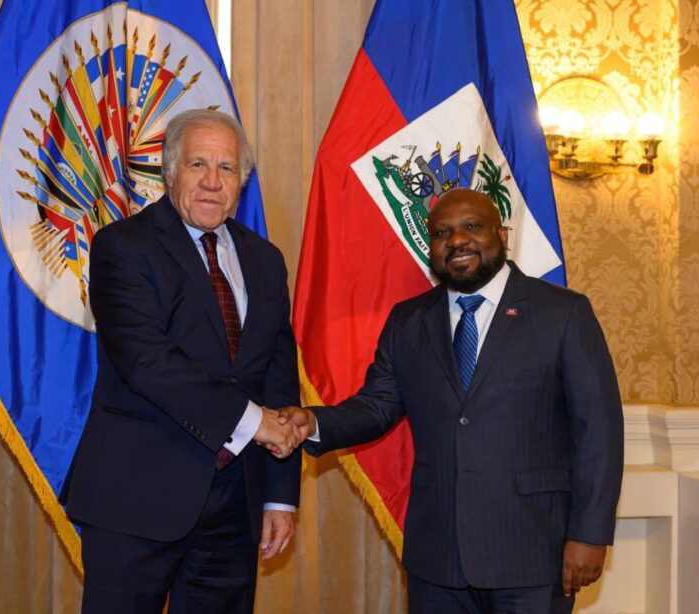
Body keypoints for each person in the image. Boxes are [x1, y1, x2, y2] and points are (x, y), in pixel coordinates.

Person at [277, 188, 624, 613]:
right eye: (442, 233)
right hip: (438, 559)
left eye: (472, 227)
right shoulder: (408, 320)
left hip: (533, 553)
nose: (457, 240)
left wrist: (588, 534)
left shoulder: (563, 313)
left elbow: (600, 432)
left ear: (502, 234)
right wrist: (312, 424)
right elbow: (377, 404)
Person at [62, 109, 302, 614]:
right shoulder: (122, 247)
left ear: (242, 182)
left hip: (235, 507)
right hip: (136, 499)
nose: (213, 183)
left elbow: (279, 377)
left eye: (228, 169)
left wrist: (279, 496)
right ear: (170, 172)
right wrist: (256, 422)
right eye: (198, 165)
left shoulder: (265, 259)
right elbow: (147, 362)